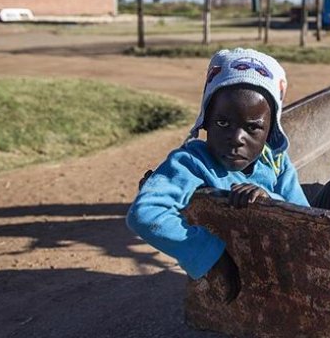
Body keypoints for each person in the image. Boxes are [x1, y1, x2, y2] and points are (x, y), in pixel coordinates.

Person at [127, 48, 309, 301]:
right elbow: (145, 213)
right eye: (223, 123)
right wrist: (210, 254)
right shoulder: (190, 162)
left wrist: (269, 199)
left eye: (253, 128)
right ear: (206, 121)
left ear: (270, 133)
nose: (236, 139)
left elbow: (304, 217)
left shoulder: (276, 162)